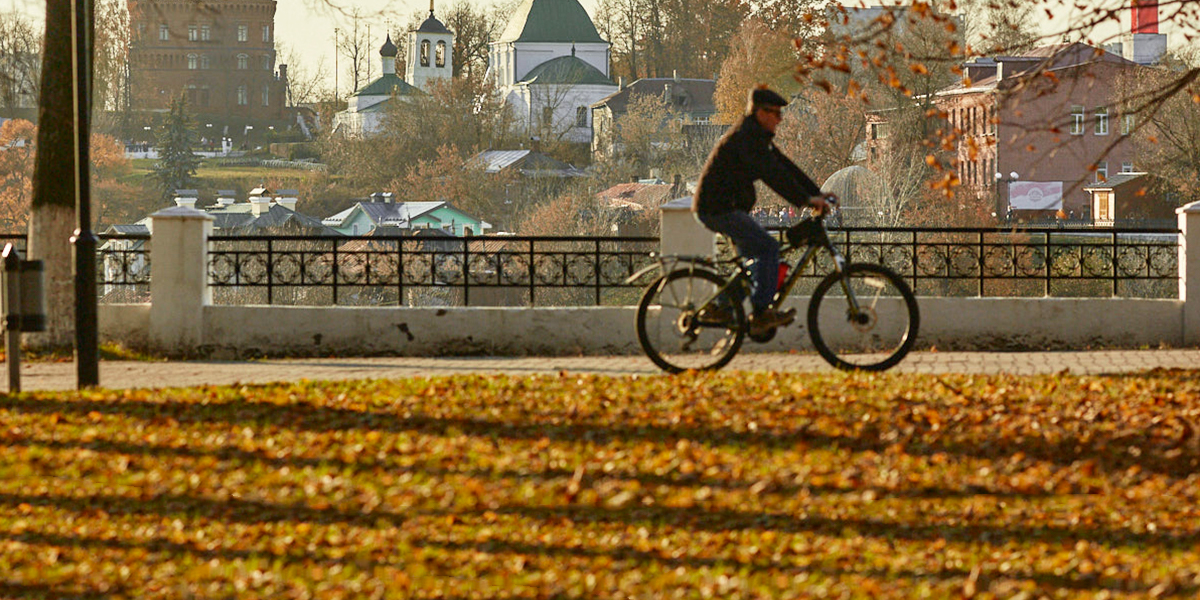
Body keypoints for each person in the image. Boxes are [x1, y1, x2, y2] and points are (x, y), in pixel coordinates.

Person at [693, 86, 833, 335]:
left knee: (754, 265)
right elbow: (773, 176)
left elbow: (785, 166)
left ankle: (719, 307)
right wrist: (807, 200)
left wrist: (816, 192)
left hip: (728, 209)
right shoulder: (747, 139)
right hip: (717, 209)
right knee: (768, 247)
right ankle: (760, 314)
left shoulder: (756, 138)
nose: (779, 120)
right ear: (760, 112)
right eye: (776, 114)